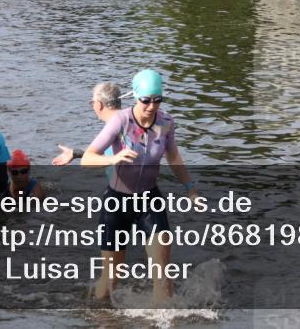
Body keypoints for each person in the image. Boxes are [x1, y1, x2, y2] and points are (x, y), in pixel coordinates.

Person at [82, 69, 197, 302]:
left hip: (149, 201)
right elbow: (87, 158)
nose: (151, 106)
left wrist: (190, 189)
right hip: (117, 201)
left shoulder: (165, 123)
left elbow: (174, 158)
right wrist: (112, 159)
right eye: (146, 100)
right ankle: (99, 316)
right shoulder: (120, 121)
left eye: (157, 99)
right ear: (135, 97)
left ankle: (165, 321)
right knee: (112, 278)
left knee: (162, 274)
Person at [52, 81, 123, 165]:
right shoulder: (128, 118)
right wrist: (76, 153)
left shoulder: (114, 127)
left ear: (99, 104)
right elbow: (113, 155)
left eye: (92, 103)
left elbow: (88, 161)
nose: (92, 106)